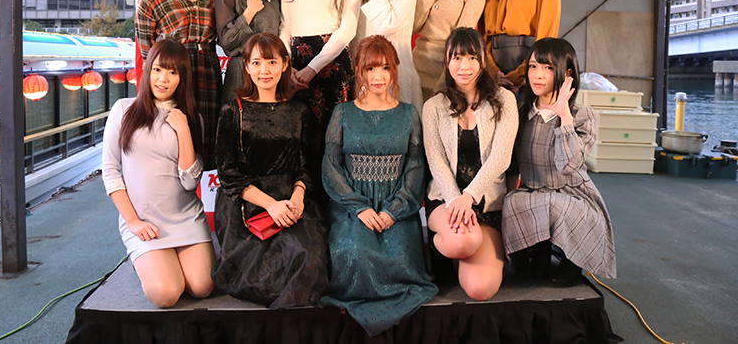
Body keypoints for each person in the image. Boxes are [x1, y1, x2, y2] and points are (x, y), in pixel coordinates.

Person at [321, 35, 437, 337]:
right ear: (359, 71)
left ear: (394, 70)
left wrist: (393, 211)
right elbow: (331, 166)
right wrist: (359, 207)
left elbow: (415, 168)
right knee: (355, 252)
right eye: (370, 68)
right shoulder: (343, 113)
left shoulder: (409, 114)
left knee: (400, 260)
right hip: (352, 208)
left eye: (385, 68)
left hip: (396, 208)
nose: (378, 76)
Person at [212, 33, 329, 308]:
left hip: (290, 199)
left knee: (308, 258)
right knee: (268, 274)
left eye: (272, 62)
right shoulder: (233, 110)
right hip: (247, 203)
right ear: (246, 67)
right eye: (256, 63)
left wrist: (298, 198)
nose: (264, 70)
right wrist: (271, 205)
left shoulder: (298, 111)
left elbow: (304, 166)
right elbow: (228, 174)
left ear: (285, 64)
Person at [101, 39, 215, 308]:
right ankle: (147, 260)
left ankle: (169, 261)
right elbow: (110, 170)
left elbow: (190, 182)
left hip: (186, 219)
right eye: (158, 69)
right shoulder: (124, 110)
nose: (163, 79)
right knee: (166, 294)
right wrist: (133, 222)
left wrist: (183, 129)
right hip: (144, 221)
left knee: (202, 287)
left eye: (173, 72)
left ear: (182, 78)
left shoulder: (192, 118)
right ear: (148, 70)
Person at [502, 38, 616, 286]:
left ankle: (572, 261)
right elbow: (511, 165)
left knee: (555, 203)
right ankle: (537, 252)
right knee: (512, 202)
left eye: (548, 68)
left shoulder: (583, 116)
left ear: (567, 74)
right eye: (533, 66)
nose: (538, 75)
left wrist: (564, 116)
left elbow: (569, 166)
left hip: (572, 193)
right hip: (532, 189)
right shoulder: (520, 114)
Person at [422, 28, 518, 300]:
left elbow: (501, 157)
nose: (464, 66)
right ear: (447, 61)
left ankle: (467, 248)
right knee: (464, 241)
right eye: (457, 58)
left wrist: (471, 196)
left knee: (480, 289)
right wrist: (457, 200)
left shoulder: (504, 100)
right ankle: (441, 245)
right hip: (446, 200)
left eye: (472, 58)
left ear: (483, 61)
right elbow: (436, 161)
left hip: (486, 203)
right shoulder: (433, 106)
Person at [280, 0, 362, 198]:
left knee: (336, 141)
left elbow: (348, 29)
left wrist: (313, 68)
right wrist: (286, 67)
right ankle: (305, 206)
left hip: (332, 65)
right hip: (295, 67)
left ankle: (340, 206)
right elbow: (286, 27)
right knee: (301, 140)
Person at [135, 0, 221, 170]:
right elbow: (148, 55)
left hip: (206, 78)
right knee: (170, 147)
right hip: (172, 78)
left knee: (202, 148)